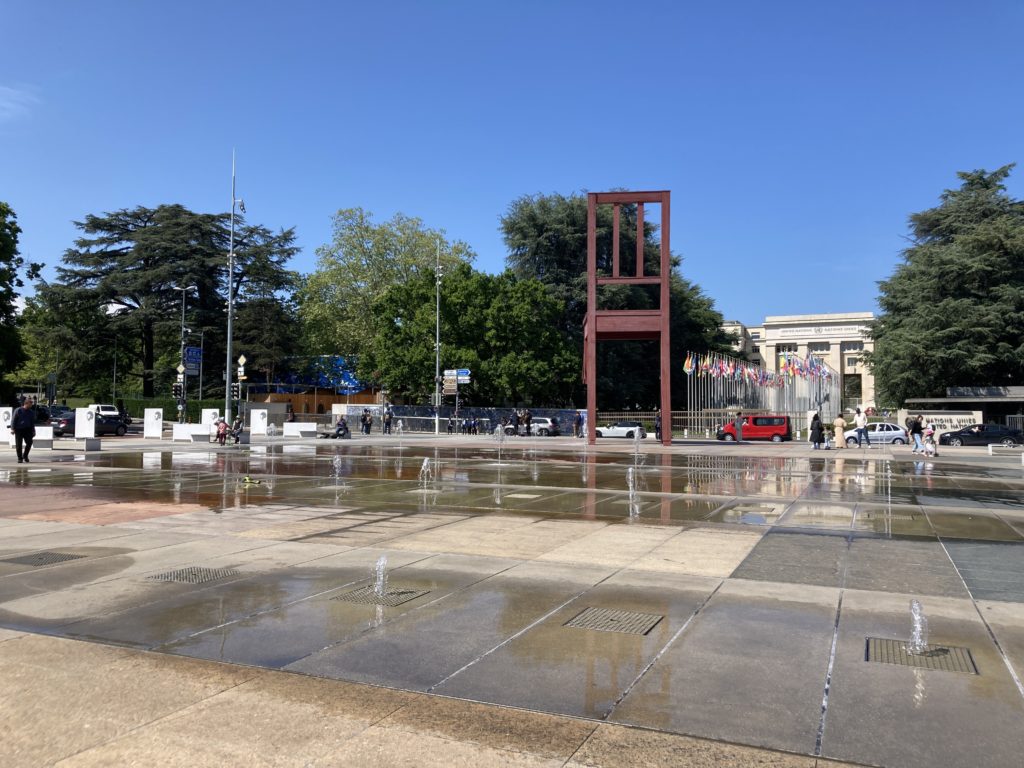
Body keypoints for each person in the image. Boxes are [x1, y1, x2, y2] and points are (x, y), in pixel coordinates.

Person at [10, 397, 36, 463]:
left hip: (28, 429)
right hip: (19, 429)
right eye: (30, 404)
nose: (31, 405)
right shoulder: (18, 410)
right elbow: (13, 420)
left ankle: (25, 455)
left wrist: (33, 430)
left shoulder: (31, 412)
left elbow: (32, 422)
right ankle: (20, 458)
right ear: (26, 404)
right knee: (19, 444)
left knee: (30, 442)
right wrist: (12, 429)